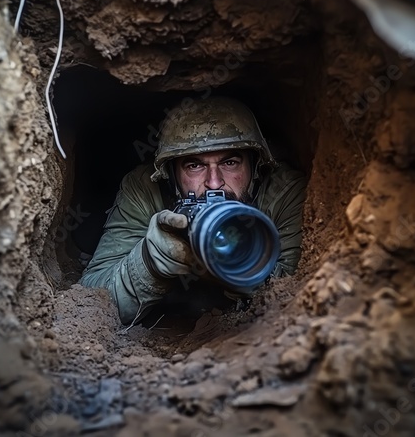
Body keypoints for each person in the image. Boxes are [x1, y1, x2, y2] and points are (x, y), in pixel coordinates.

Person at [79, 97, 306, 324]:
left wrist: (241, 264)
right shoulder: (145, 189)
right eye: (194, 165)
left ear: (255, 166)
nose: (214, 183)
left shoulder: (282, 192)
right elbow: (90, 303)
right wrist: (148, 262)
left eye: (230, 163)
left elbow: (300, 297)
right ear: (172, 175)